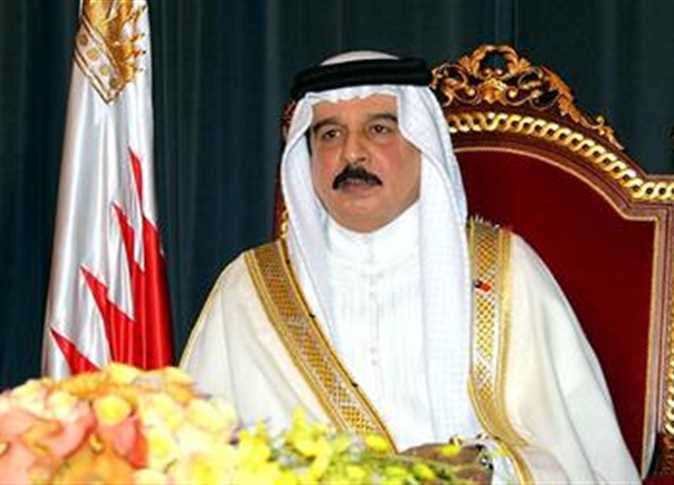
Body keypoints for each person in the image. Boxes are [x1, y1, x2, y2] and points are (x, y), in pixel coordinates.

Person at [181, 51, 640, 483]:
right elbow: (190, 459)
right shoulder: (249, 290)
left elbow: (579, 458)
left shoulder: (503, 273)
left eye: (379, 129)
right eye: (330, 135)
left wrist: (486, 467)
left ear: (423, 143)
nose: (352, 154)